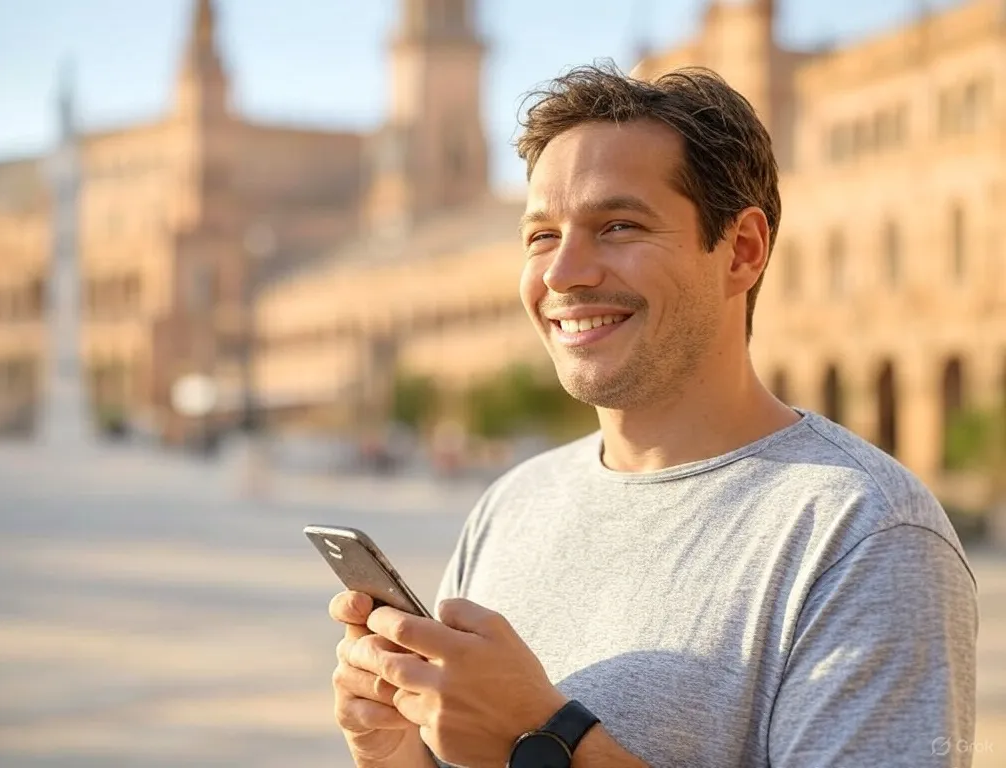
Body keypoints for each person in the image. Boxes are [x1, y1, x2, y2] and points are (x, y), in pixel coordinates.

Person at [327, 64, 979, 768]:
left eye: (618, 225)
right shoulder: (512, 505)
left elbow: (524, 740)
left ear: (743, 251)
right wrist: (396, 751)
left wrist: (548, 739)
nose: (563, 273)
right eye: (541, 236)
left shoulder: (863, 533)